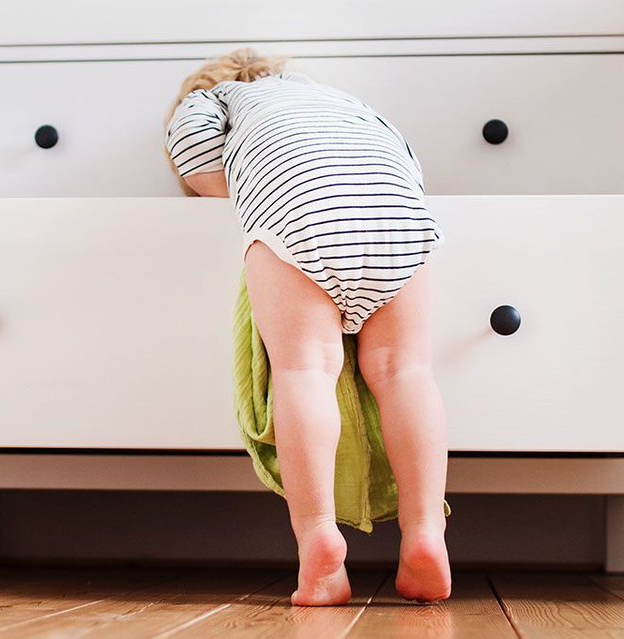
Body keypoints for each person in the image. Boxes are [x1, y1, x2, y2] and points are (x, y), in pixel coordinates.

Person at [163, 48, 451, 606]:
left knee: (306, 370)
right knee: (406, 371)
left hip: (298, 208)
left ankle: (317, 535)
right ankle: (424, 532)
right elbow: (407, 158)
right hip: (398, 211)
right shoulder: (343, 100)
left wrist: (232, 184)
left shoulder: (215, 99)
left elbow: (193, 155)